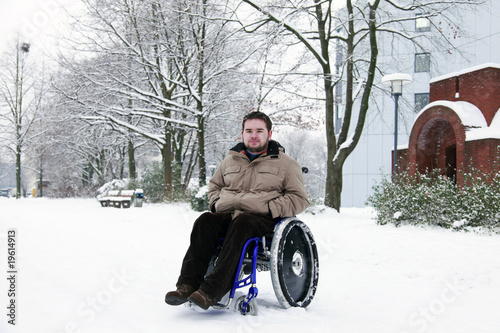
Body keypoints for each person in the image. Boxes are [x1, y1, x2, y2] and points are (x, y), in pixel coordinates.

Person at [165, 111, 309, 310]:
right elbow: (214, 187)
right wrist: (215, 204)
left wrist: (270, 207)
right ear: (242, 134)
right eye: (249, 131)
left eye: (259, 130)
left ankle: (211, 291)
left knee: (243, 223)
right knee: (205, 220)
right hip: (231, 215)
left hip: (263, 220)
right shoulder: (230, 161)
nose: (254, 135)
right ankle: (187, 285)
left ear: (269, 133)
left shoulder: (286, 164)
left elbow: (299, 199)